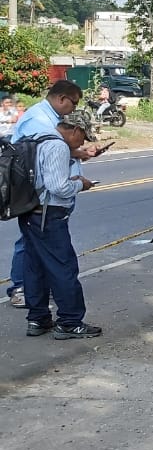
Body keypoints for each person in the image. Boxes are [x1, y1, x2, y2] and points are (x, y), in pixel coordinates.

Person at [7, 81, 102, 309]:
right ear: (61, 98)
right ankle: (61, 314)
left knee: (37, 257)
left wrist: (78, 153)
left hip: (44, 202)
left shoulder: (52, 124)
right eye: (74, 103)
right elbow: (47, 168)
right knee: (55, 262)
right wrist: (79, 184)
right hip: (44, 203)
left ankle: (37, 311)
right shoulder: (38, 120)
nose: (73, 108)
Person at [22, 109, 101, 339]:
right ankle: (70, 321)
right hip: (50, 213)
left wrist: (76, 155)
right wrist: (80, 184)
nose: (83, 142)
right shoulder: (57, 146)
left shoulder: (39, 137)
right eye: (83, 137)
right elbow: (58, 186)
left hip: (29, 210)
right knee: (63, 267)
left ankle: (37, 319)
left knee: (35, 267)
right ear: (75, 130)